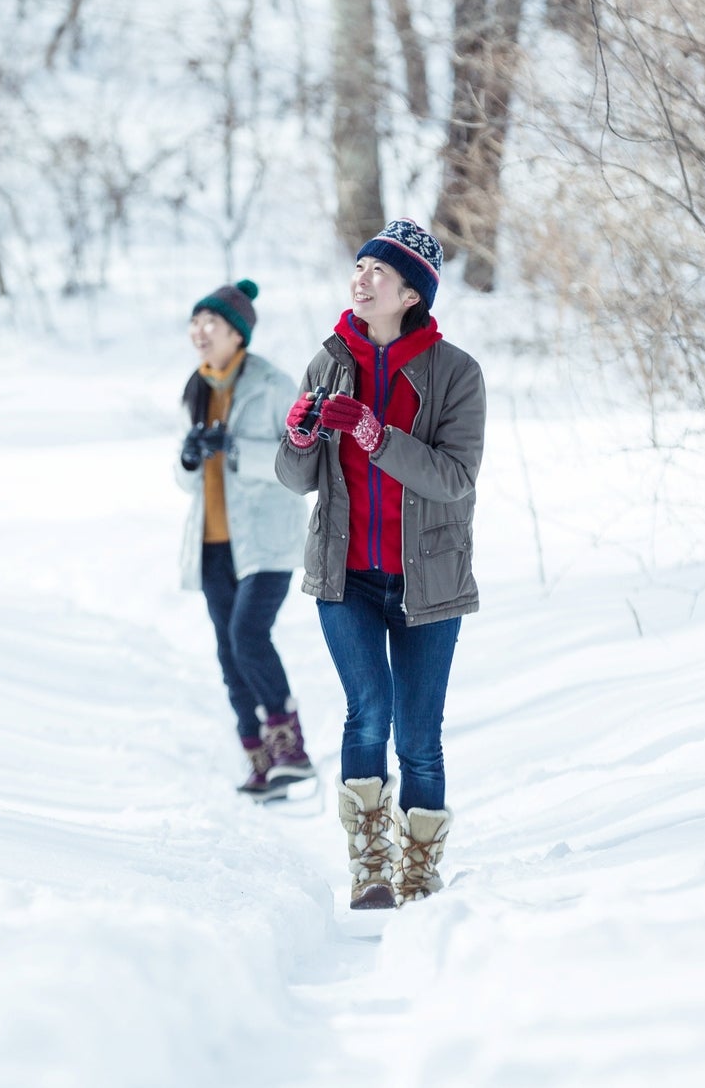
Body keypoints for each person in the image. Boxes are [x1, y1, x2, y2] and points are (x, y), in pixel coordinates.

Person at [274, 219, 485, 908]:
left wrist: (375, 434)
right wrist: (301, 437)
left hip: (431, 581)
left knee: (420, 736)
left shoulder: (456, 374)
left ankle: (418, 867)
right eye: (359, 267)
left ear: (410, 295)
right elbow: (296, 478)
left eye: (377, 272)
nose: (360, 279)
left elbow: (454, 477)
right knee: (369, 713)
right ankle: (369, 865)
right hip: (347, 578)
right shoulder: (328, 361)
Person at [175, 279, 316, 800]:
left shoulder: (273, 385)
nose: (199, 332)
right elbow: (184, 478)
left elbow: (299, 463)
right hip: (213, 543)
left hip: (266, 540)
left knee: (248, 636)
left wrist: (234, 449)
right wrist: (190, 459)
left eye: (209, 323)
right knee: (228, 652)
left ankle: (290, 748)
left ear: (237, 333)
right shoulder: (196, 388)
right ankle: (260, 760)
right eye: (194, 323)